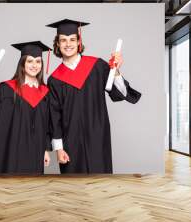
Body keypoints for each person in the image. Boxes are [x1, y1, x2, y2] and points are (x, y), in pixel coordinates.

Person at [46, 19, 141, 174]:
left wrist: (116, 71)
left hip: (98, 134)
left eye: (72, 39)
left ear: (79, 42)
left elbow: (119, 93)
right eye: (63, 40)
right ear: (57, 44)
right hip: (71, 141)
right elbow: (54, 117)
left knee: (100, 183)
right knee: (74, 188)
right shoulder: (54, 79)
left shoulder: (96, 66)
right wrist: (58, 148)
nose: (68, 44)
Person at [0, 41, 52, 174]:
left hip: (36, 150)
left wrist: (45, 150)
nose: (34, 65)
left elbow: (47, 124)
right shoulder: (7, 88)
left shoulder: (46, 92)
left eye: (38, 61)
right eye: (30, 61)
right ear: (22, 63)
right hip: (11, 149)